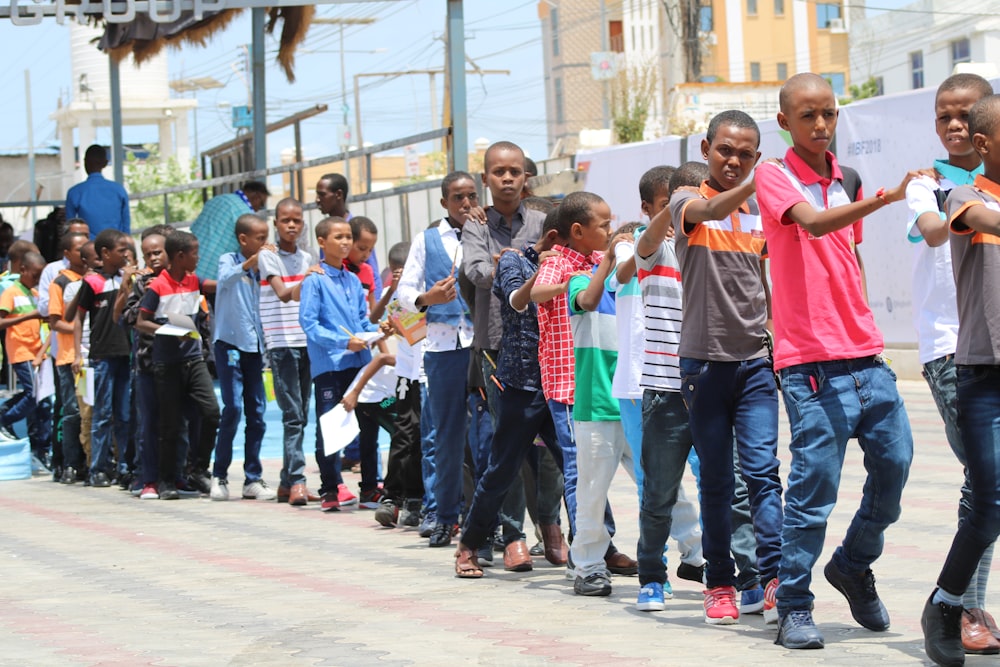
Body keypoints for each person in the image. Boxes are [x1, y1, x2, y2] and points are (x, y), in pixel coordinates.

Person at [755, 72, 917, 649]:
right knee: (813, 489)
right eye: (808, 116)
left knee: (896, 467)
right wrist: (888, 198)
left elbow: (848, 257)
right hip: (811, 365)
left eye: (829, 113)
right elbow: (815, 224)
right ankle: (794, 605)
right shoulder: (772, 175)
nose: (821, 125)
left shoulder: (846, 177)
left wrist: (864, 320)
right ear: (784, 122)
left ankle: (852, 564)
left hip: (866, 357)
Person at [668, 110, 783, 626]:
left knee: (763, 473)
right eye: (726, 151)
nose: (734, 160)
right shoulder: (685, 201)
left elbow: (761, 280)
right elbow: (711, 208)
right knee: (717, 480)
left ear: (756, 156)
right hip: (703, 366)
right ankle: (720, 583)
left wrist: (776, 336)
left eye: (746, 154)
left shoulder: (760, 210)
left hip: (755, 362)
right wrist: (759, 182)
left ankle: (776, 576)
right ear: (706, 148)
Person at [905, 73, 1000, 655]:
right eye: (946, 116)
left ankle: (960, 607)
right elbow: (953, 226)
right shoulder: (957, 192)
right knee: (987, 497)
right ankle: (952, 607)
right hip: (972, 364)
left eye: (966, 114)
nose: (955, 126)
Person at [453, 211, 568, 578]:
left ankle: (600, 546)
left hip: (562, 382)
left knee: (578, 467)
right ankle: (470, 544)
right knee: (502, 468)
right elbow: (518, 297)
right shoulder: (513, 262)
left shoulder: (582, 263)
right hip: (521, 384)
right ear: (556, 235)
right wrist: (542, 267)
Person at [462, 141, 548, 566]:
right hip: (498, 346)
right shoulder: (475, 224)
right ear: (486, 179)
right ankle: (511, 537)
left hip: (548, 346)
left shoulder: (543, 218)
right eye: (499, 172)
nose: (508, 178)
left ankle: (553, 532)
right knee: (507, 449)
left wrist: (516, 260)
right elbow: (476, 272)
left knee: (557, 449)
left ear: (526, 175)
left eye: (515, 171)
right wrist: (521, 262)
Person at [550, 192, 636, 597]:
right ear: (579, 232)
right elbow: (585, 300)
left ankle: (692, 557)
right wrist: (605, 261)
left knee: (661, 486)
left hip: (634, 406)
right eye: (603, 225)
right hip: (595, 409)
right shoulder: (582, 281)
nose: (610, 230)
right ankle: (587, 567)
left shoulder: (626, 287)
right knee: (591, 491)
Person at [628, 165, 705, 612]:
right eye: (671, 206)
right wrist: (677, 207)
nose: (684, 213)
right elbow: (647, 242)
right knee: (659, 491)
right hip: (664, 389)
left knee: (728, 488)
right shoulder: (653, 249)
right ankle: (652, 577)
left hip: (712, 386)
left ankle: (735, 575)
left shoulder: (716, 242)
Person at [395, 172, 476, 548]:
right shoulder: (426, 240)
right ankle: (443, 514)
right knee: (445, 436)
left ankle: (482, 519)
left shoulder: (486, 231)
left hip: (481, 344)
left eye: (471, 196)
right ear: (444, 202)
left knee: (485, 437)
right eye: (458, 197)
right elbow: (403, 295)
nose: (466, 203)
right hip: (443, 348)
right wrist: (427, 299)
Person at [299, 217, 383, 511]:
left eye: (348, 237)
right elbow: (309, 324)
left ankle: (370, 487)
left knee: (369, 423)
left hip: (359, 363)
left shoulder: (352, 279)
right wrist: (343, 341)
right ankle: (329, 487)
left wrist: (377, 332)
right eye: (339, 237)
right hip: (330, 366)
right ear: (322, 242)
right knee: (331, 425)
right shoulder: (314, 280)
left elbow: (362, 319)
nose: (346, 242)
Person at [136, 231, 219, 500]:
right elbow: (141, 322)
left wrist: (248, 267)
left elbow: (217, 285)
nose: (198, 257)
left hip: (193, 360)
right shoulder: (157, 286)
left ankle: (198, 468)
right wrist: (167, 331)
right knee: (169, 424)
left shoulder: (194, 280)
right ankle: (166, 480)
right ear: (181, 256)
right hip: (167, 363)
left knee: (211, 412)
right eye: (195, 253)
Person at [257, 198, 321, 506]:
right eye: (286, 220)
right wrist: (308, 278)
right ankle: (297, 479)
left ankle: (287, 481)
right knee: (293, 414)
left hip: (305, 340)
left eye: (297, 220)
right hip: (281, 343)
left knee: (301, 413)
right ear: (275, 223)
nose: (292, 225)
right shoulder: (268, 257)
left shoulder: (308, 256)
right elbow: (283, 294)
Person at [210, 214, 275, 501]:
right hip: (230, 345)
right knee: (233, 408)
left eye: (266, 237)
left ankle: (252, 477)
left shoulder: (265, 269)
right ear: (243, 240)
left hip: (256, 347)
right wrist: (251, 262)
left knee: (257, 413)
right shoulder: (229, 260)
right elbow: (225, 279)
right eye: (259, 238)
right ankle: (219, 474)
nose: (264, 243)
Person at [371, 242, 426, 528]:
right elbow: (375, 319)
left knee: (427, 437)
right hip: (407, 375)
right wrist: (394, 296)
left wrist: (400, 318)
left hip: (430, 373)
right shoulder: (395, 295)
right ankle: (392, 496)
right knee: (404, 434)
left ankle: (420, 499)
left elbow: (417, 332)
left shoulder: (429, 294)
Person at [73, 229, 133, 488]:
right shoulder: (92, 283)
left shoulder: (128, 278)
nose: (126, 254)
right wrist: (77, 352)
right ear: (106, 253)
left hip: (126, 354)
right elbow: (77, 318)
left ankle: (123, 466)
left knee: (124, 414)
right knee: (102, 413)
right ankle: (98, 467)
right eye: (121, 250)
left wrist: (129, 280)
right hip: (102, 355)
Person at [47, 232, 89, 485]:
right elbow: (55, 321)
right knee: (71, 411)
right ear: (67, 254)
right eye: (78, 249)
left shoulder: (94, 279)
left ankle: (88, 460)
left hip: (89, 355)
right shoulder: (60, 283)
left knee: (89, 411)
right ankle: (70, 463)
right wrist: (79, 329)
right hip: (67, 358)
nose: (83, 253)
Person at [0, 252, 48, 458]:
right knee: (33, 393)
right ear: (23, 270)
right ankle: (5, 419)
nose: (37, 280)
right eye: (35, 275)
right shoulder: (11, 293)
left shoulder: (35, 295)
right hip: (21, 350)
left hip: (36, 350)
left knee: (41, 398)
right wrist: (28, 315)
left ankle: (41, 443)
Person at [315, 173, 382, 296]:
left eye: (322, 194)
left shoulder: (358, 229)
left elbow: (374, 275)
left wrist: (376, 311)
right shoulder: (326, 231)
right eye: (339, 237)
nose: (317, 200)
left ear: (338, 195)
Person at [190, 181, 269, 281]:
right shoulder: (247, 217)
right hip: (215, 278)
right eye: (261, 204)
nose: (258, 209)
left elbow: (194, 228)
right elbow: (251, 252)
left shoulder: (216, 200)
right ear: (256, 197)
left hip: (191, 271)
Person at [65, 144, 130, 237]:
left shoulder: (75, 192)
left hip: (87, 247)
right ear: (105, 163)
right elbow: (126, 227)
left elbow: (70, 229)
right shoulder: (119, 190)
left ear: (84, 162)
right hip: (114, 245)